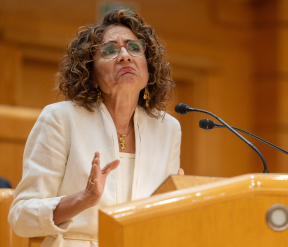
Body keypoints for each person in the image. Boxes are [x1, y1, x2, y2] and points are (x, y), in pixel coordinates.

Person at [8, 9, 183, 247]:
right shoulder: (61, 118)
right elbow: (21, 217)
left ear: (148, 64)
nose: (124, 56)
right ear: (90, 72)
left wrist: (177, 201)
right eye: (110, 50)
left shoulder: (167, 129)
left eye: (134, 47)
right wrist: (84, 199)